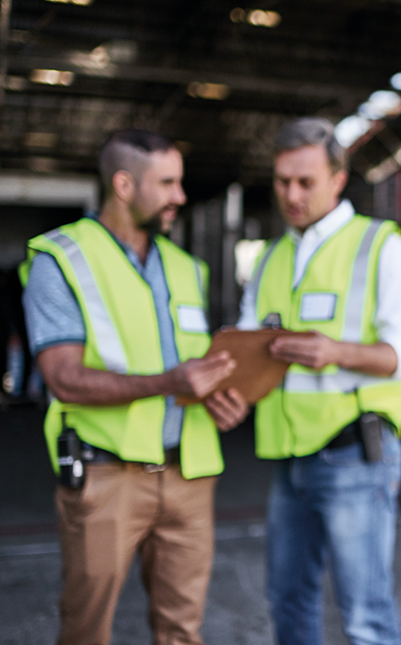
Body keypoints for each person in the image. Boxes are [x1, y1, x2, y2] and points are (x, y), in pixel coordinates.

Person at [20, 128, 249, 645]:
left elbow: (194, 368)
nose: (180, 197)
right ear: (124, 184)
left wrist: (221, 399)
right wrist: (170, 382)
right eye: (167, 183)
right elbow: (63, 377)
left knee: (182, 632)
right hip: (107, 478)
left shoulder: (187, 268)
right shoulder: (60, 260)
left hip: (189, 476)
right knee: (86, 631)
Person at [237, 117, 401, 645]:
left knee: (365, 614)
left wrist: (334, 352)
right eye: (281, 182)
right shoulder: (270, 258)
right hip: (288, 455)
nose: (291, 194)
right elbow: (250, 350)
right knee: (287, 600)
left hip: (354, 453)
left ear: (339, 179)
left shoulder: (381, 246)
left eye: (305, 182)